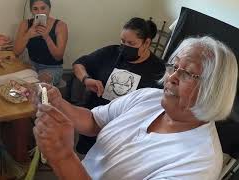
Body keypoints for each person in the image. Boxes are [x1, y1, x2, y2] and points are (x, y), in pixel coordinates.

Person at [33, 36, 238, 180]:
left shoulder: (198, 165)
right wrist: (59, 102)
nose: (172, 77)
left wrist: (62, 156)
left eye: (188, 73)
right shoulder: (148, 97)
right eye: (174, 67)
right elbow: (94, 121)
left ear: (213, 90)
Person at [73, 17, 166, 153]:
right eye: (122, 41)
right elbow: (79, 64)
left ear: (146, 43)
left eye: (131, 43)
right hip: (94, 122)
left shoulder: (159, 70)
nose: (125, 46)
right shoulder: (111, 53)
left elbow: (160, 108)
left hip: (124, 134)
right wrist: (86, 79)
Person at [14, 0, 68, 85]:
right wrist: (28, 34)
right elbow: (16, 52)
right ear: (31, 10)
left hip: (52, 68)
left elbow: (58, 56)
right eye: (35, 9)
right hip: (31, 65)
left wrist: (47, 37)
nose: (39, 12)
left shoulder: (60, 25)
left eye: (43, 8)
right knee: (14, 81)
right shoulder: (25, 24)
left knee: (39, 84)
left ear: (49, 9)